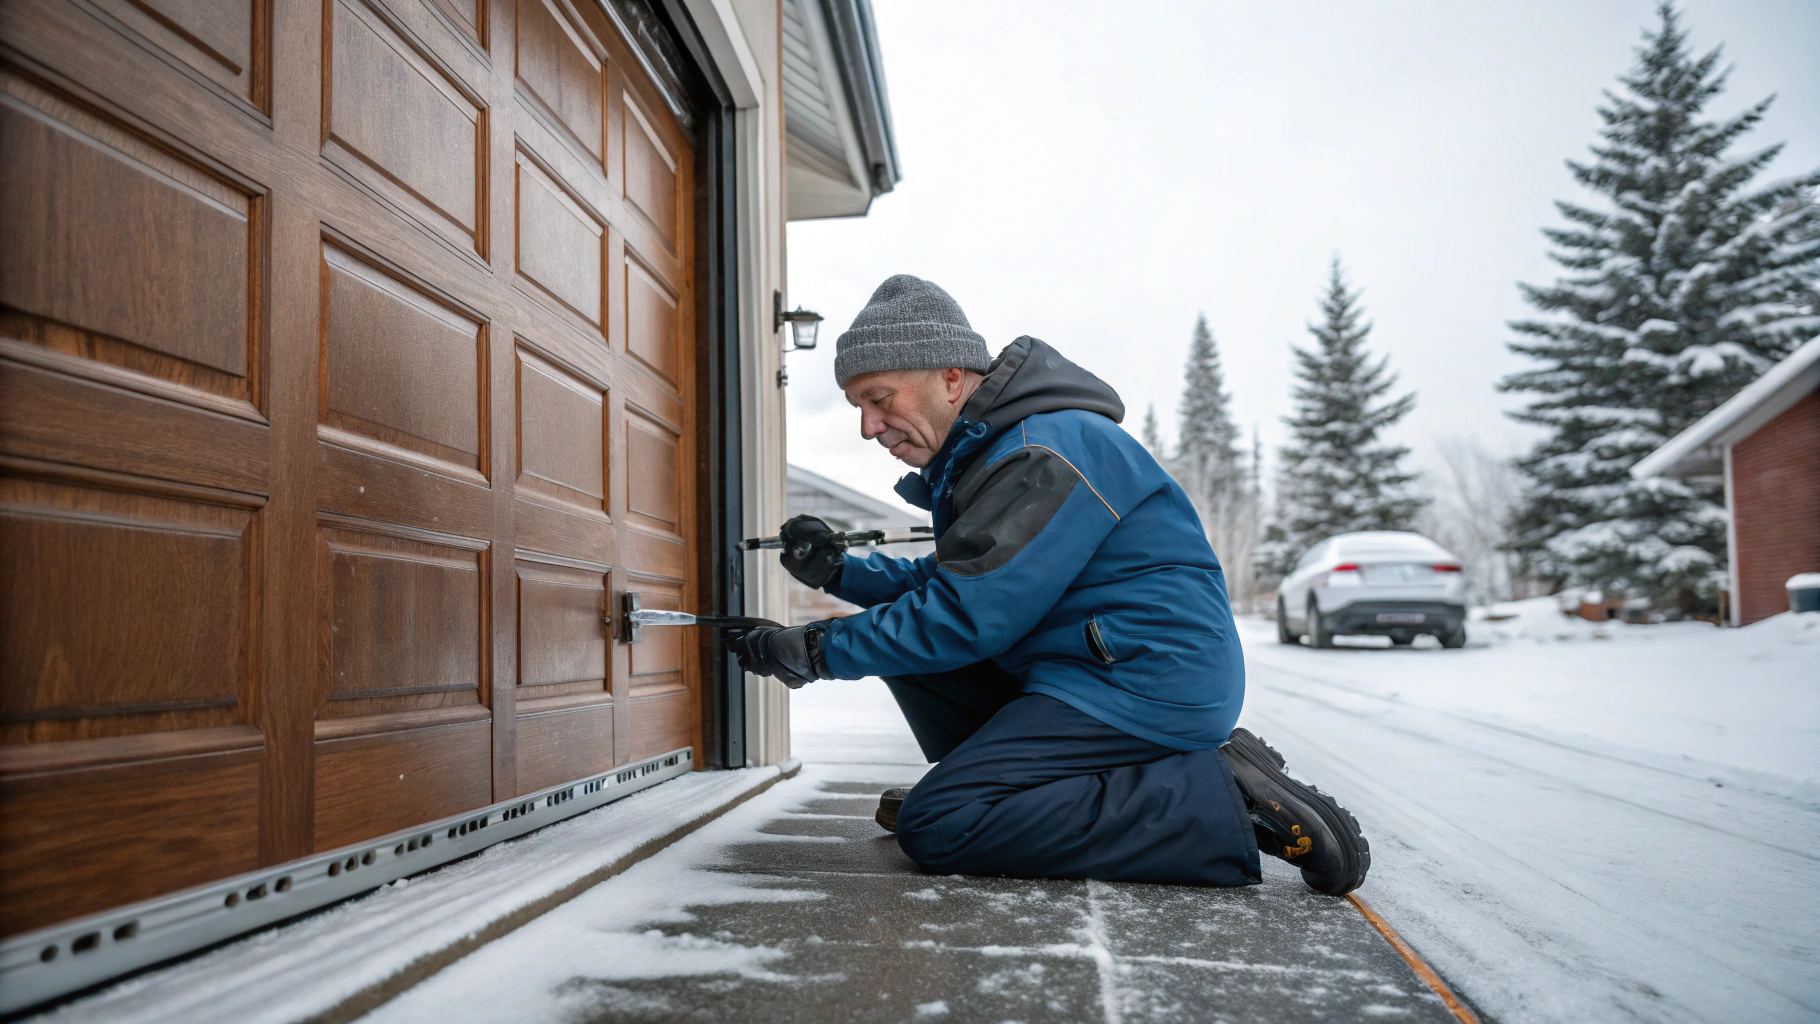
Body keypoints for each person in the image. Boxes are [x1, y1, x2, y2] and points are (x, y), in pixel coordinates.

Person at [730, 274, 1369, 895]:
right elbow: (963, 580)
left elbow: (968, 613)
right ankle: (1005, 794)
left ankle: (1218, 795)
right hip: (1094, 670)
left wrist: (815, 651)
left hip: (1145, 681)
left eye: (879, 397)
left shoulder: (1046, 451)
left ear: (951, 378)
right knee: (914, 650)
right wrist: (839, 572)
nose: (869, 427)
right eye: (858, 407)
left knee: (940, 825)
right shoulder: (1005, 451)